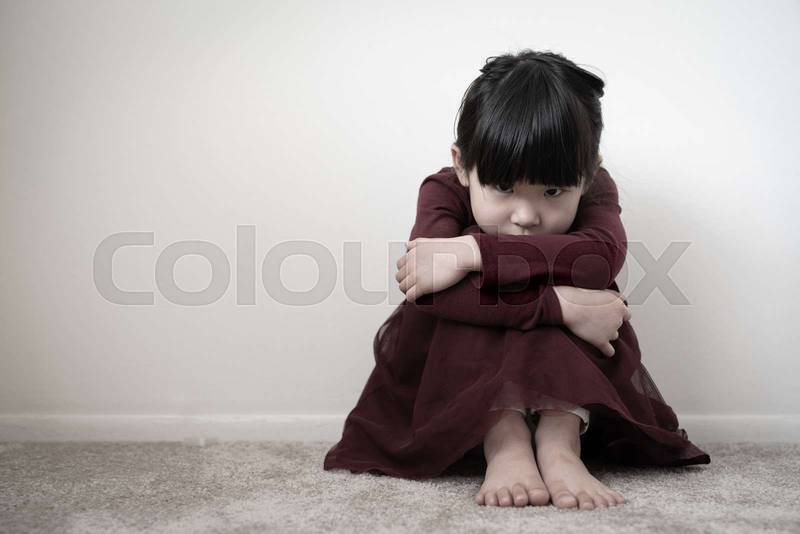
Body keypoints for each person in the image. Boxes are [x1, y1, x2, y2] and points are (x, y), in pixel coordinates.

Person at [323, 49, 710, 510]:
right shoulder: (443, 189)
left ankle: (559, 440)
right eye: (504, 188)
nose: (526, 215)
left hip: (572, 374)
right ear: (462, 164)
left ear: (588, 175)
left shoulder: (596, 186)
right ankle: (503, 438)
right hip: (453, 371)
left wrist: (472, 251)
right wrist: (557, 306)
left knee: (571, 277)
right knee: (499, 290)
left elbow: (599, 259)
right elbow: (427, 293)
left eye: (553, 191)